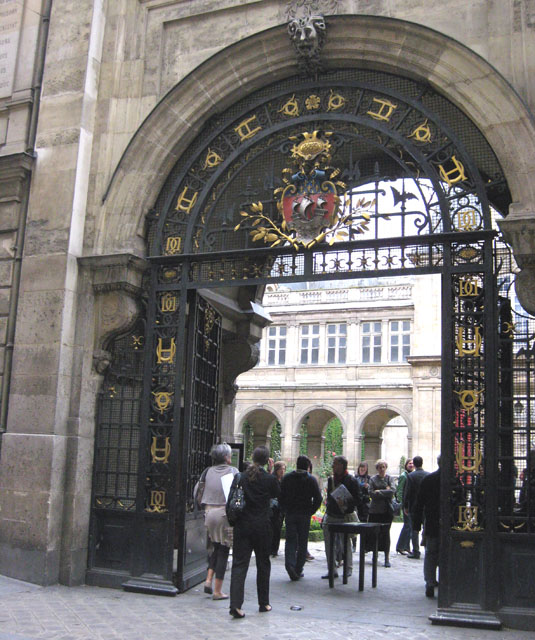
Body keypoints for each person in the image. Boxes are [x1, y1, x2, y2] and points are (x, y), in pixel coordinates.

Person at [228, 446, 280, 618]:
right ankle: (263, 603)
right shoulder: (269, 479)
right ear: (267, 461)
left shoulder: (241, 477)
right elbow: (276, 494)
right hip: (262, 527)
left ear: (252, 457)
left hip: (243, 526)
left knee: (239, 564)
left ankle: (235, 605)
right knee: (263, 564)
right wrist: (271, 473)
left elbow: (232, 499)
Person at [193, 443, 239, 600]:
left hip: (209, 513)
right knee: (224, 550)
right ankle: (218, 591)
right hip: (224, 515)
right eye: (229, 455)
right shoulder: (233, 471)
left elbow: (196, 492)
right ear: (226, 457)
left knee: (216, 547)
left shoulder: (207, 471)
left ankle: (208, 580)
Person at [279, 455, 322, 581]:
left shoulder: (287, 478)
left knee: (290, 540)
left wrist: (285, 509)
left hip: (291, 513)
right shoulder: (311, 480)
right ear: (307, 466)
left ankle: (289, 565)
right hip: (304, 514)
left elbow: (280, 496)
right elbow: (318, 498)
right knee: (303, 542)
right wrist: (311, 511)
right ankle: (298, 569)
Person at [321, 455, 362, 579]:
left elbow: (358, 500)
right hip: (332, 515)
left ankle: (348, 568)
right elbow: (329, 498)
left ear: (342, 465)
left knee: (346, 544)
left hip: (345, 516)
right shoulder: (331, 480)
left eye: (335, 463)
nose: (333, 466)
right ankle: (331, 569)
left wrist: (346, 503)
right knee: (329, 544)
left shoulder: (351, 480)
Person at [413, 456, 441, 597]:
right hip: (448, 524)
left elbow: (419, 504)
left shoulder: (429, 480)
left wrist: (416, 524)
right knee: (445, 554)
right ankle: (445, 581)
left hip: (432, 522)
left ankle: (430, 582)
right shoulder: (454, 480)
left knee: (430, 554)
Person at [367, 459, 396, 567]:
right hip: (375, 511)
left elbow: (392, 491)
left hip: (386, 511)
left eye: (383, 467)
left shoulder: (390, 478)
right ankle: (375, 556)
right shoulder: (373, 479)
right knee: (375, 534)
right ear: (377, 469)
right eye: (380, 467)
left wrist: (379, 491)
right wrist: (385, 490)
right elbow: (371, 493)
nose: (382, 469)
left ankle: (386, 558)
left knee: (386, 534)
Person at [403, 455, 429, 559]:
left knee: (415, 529)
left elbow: (407, 492)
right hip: (426, 506)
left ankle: (416, 551)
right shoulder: (427, 475)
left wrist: (405, 506)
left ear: (414, 464)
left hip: (414, 506)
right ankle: (427, 549)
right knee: (426, 527)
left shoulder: (411, 476)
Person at [395, 458, 414, 555]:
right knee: (407, 525)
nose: (411, 465)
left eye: (412, 463)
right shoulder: (404, 476)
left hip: (410, 504)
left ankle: (406, 547)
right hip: (406, 504)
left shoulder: (410, 475)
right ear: (406, 465)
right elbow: (400, 490)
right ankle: (400, 546)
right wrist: (403, 503)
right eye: (409, 463)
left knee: (409, 526)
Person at [270, 461, 286, 557]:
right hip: (272, 507)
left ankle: (274, 549)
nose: (282, 471)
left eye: (284, 469)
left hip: (280, 507)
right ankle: (270, 548)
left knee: (278, 528)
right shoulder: (272, 479)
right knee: (272, 528)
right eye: (281, 469)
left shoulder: (284, 480)